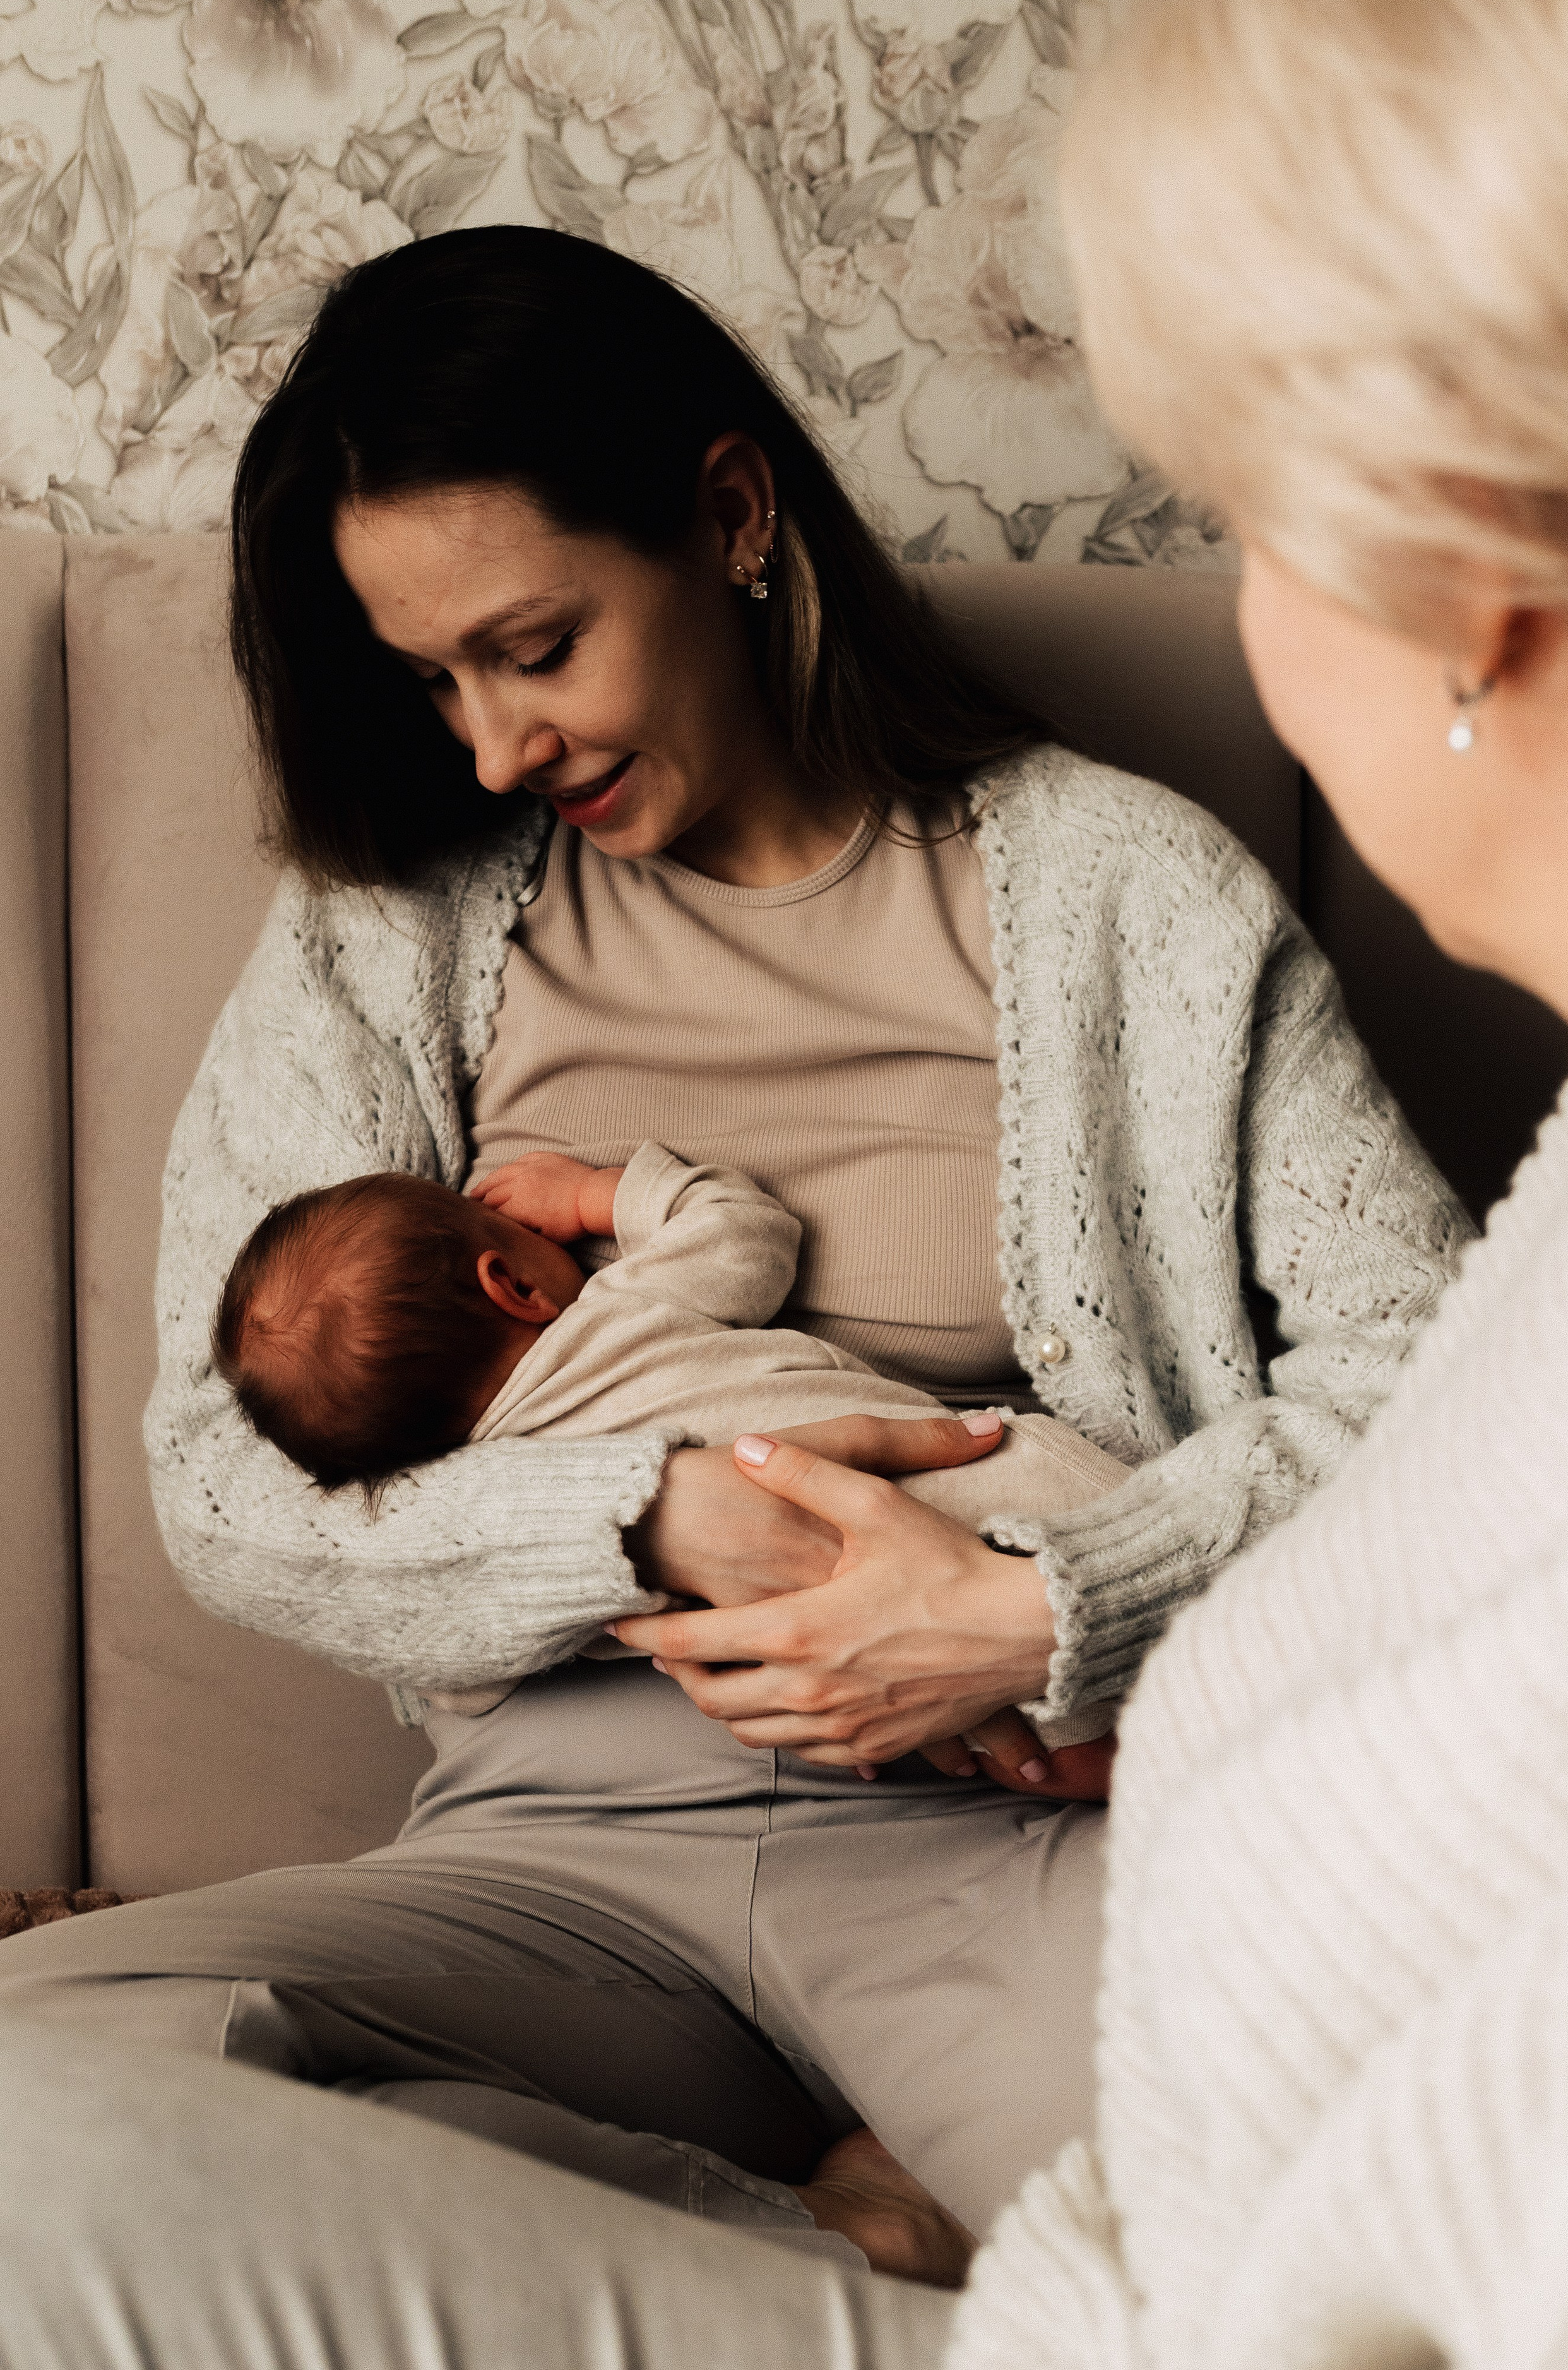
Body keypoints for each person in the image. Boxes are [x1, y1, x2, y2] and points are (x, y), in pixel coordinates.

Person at [0, 196, 1467, 2284]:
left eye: (534, 647)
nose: (497, 747)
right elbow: (220, 1476)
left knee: (1357, 2249)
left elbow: (1436, 1378)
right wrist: (659, 1515)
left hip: (1009, 1825)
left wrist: (1042, 1604)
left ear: (733, 512)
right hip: (559, 1849)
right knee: (34, 2088)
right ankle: (831, 2249)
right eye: (432, 682)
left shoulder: (1128, 896)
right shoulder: (392, 935)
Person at [213, 1141, 1131, 1762]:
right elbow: (745, 1234)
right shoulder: (620, 1314)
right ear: (515, 1282)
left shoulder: (506, 1515)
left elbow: (461, 1677)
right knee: (1063, 1493)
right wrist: (595, 1192)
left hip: (881, 1701)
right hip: (1007, 1498)